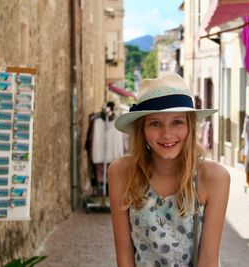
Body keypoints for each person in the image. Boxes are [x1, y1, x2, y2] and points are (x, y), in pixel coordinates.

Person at [108, 73, 230, 266]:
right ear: (142, 129)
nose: (167, 134)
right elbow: (124, 256)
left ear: (190, 125)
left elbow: (208, 258)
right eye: (155, 123)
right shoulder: (122, 173)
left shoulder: (212, 177)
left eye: (177, 122)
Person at [90, 101, 126, 195]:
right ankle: (105, 193)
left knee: (108, 176)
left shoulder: (117, 121)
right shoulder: (97, 121)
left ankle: (106, 193)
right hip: (105, 156)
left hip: (108, 156)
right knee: (109, 176)